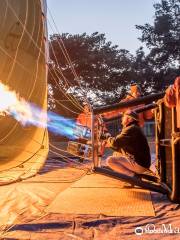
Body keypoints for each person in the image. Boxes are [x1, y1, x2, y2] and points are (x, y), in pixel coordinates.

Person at [105, 110, 151, 177]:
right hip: (142, 163)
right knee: (116, 154)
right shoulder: (134, 128)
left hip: (139, 164)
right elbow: (120, 146)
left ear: (129, 119)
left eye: (124, 117)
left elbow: (115, 142)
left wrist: (107, 137)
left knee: (110, 160)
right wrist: (110, 144)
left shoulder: (131, 129)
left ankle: (132, 176)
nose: (122, 118)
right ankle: (129, 173)